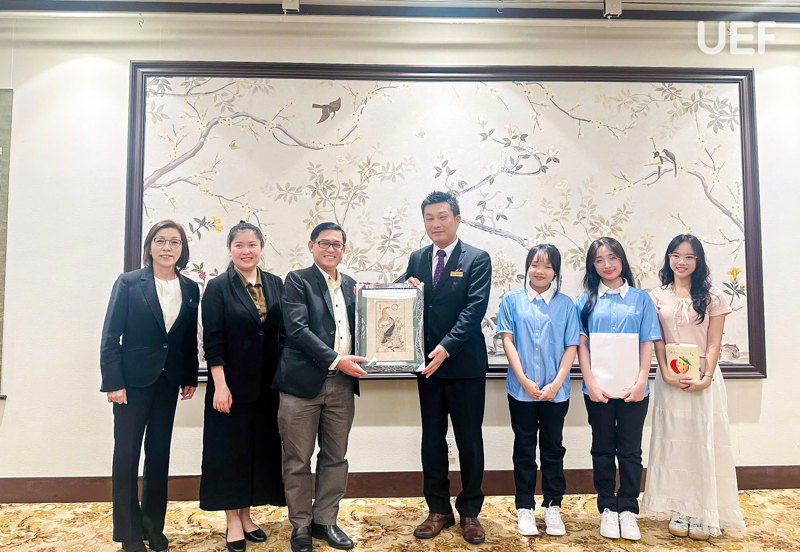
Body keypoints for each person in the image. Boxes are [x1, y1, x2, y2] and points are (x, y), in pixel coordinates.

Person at [100, 220, 199, 552]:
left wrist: (189, 376)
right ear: (150, 246)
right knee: (126, 457)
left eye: (174, 242)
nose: (167, 247)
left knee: (159, 456)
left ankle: (153, 527)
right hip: (131, 384)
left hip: (168, 383)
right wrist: (114, 382)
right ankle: (129, 533)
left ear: (182, 249)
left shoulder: (190, 288)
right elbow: (111, 336)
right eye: (160, 240)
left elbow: (186, 339)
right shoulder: (129, 283)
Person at [642, 234, 746, 540]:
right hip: (670, 377)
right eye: (676, 255)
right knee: (675, 441)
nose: (681, 262)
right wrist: (665, 372)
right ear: (668, 259)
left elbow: (714, 343)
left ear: (698, 261)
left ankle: (704, 510)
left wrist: (706, 377)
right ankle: (681, 508)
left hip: (703, 375)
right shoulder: (656, 297)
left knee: (704, 440)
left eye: (689, 256)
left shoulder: (713, 297)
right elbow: (657, 340)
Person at [404, 191, 492, 545]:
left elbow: (474, 310)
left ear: (457, 219)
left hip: (464, 365)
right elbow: (403, 300)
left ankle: (470, 511)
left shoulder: (477, 258)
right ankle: (438, 509)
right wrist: (399, 289)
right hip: (427, 367)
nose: (435, 224)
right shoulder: (417, 258)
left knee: (469, 440)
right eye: (429, 218)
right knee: (432, 440)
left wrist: (446, 348)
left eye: (442, 216)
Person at [272, 222, 366, 552]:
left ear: (344, 250)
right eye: (324, 243)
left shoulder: (353, 286)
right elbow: (297, 330)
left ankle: (326, 520)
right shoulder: (297, 281)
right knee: (297, 459)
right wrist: (337, 359)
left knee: (335, 457)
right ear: (311, 246)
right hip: (300, 385)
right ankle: (300, 524)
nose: (330, 249)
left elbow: (372, 322)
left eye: (337, 244)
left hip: (342, 385)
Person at [199, 221, 286, 552]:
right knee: (230, 454)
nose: (246, 251)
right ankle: (232, 520)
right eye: (239, 245)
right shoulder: (218, 287)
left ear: (261, 248)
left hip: (267, 387)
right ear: (230, 250)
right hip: (230, 387)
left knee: (256, 452)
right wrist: (220, 385)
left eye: (252, 245)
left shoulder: (276, 284)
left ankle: (247, 516)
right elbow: (213, 340)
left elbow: (281, 334)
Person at [576, 236, 661, 541]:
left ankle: (628, 508)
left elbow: (647, 342)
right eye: (599, 260)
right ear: (592, 266)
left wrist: (641, 381)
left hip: (634, 390)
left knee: (630, 450)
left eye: (612, 257)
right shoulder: (585, 300)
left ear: (622, 260)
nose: (607, 265)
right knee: (601, 448)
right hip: (597, 390)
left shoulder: (640, 299)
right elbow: (581, 344)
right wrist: (590, 382)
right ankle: (607, 509)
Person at [496, 244, 579, 537]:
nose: (539, 271)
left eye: (547, 266)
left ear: (555, 271)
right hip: (521, 390)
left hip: (557, 392)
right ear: (527, 267)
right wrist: (523, 380)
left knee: (553, 449)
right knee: (524, 448)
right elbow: (508, 341)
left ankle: (553, 506)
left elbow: (572, 346)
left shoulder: (566, 305)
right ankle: (525, 507)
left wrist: (555, 384)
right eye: (535, 264)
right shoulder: (512, 300)